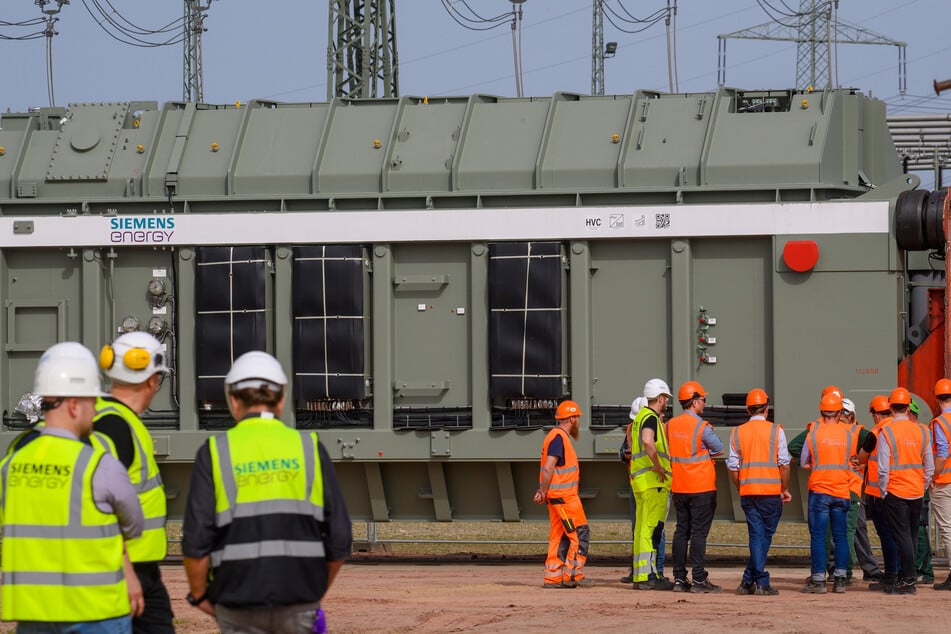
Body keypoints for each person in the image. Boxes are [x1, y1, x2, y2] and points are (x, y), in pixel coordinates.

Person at [182, 351, 352, 630]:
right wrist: (314, 592)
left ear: (233, 400)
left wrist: (199, 594)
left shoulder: (214, 452)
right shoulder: (310, 448)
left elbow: (196, 538)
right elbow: (340, 536)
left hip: (237, 601)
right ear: (281, 400)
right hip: (299, 600)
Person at [0, 342, 145, 631]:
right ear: (75, 405)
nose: (96, 411)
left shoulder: (10, 466)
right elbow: (135, 526)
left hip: (34, 614)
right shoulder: (100, 466)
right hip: (96, 612)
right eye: (93, 402)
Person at [94, 332, 174, 632]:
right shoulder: (114, 426)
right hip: (123, 567)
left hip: (134, 565)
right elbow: (96, 503)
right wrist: (125, 569)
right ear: (153, 380)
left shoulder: (109, 417)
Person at [728, 388, 791, 596]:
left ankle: (748, 581)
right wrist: (784, 488)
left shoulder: (737, 432)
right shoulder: (776, 431)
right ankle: (761, 582)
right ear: (766, 409)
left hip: (748, 492)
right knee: (764, 537)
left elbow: (733, 467)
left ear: (748, 410)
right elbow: (784, 464)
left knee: (757, 536)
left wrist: (740, 486)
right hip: (771, 493)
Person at [876, 387, 934, 595]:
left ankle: (908, 580)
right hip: (916, 492)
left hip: (895, 491)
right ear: (909, 407)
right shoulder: (922, 431)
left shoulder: (887, 432)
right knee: (911, 535)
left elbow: (883, 469)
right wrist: (922, 486)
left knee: (902, 537)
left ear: (891, 408)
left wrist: (884, 491)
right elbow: (929, 467)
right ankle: (908, 576)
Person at [667, 380, 723, 593]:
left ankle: (679, 579)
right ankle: (699, 580)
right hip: (701, 487)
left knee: (682, 531)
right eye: (703, 399)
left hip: (679, 486)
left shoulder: (670, 425)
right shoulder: (701, 426)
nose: (705, 403)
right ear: (694, 402)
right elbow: (718, 448)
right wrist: (704, 452)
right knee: (699, 533)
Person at [800, 392, 855, 594]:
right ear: (840, 413)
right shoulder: (848, 435)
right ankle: (840, 580)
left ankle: (818, 581)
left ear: (822, 413)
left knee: (818, 536)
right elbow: (850, 458)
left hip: (820, 491)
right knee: (840, 537)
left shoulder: (813, 434)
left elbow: (804, 461)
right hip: (841, 490)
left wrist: (813, 464)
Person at [535, 399, 592, 588]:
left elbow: (549, 469)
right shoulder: (559, 438)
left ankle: (553, 577)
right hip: (565, 498)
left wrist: (543, 491)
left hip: (557, 497)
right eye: (577, 418)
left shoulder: (555, 437)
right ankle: (573, 575)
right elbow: (548, 467)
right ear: (572, 419)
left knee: (559, 536)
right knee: (579, 533)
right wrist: (543, 490)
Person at [630, 378, 674, 590]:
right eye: (666, 398)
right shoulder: (651, 418)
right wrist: (658, 466)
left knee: (642, 530)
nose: (667, 402)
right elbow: (648, 441)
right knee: (651, 530)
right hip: (652, 482)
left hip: (641, 482)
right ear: (661, 398)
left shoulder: (639, 417)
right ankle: (648, 577)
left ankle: (642, 575)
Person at [618, 396, 666, 583]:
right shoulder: (636, 427)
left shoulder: (650, 425)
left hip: (644, 483)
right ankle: (646, 572)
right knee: (648, 529)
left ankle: (647, 571)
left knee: (646, 529)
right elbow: (625, 451)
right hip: (648, 482)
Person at [839, 398, 883, 583]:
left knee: (850, 530)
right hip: (850, 488)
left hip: (842, 488)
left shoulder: (825, 431)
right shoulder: (859, 433)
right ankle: (854, 570)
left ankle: (848, 570)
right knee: (852, 530)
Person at [861, 394, 901, 591]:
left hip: (879, 492)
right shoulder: (900, 429)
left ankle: (892, 575)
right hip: (902, 490)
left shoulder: (876, 433)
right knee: (901, 535)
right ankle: (903, 574)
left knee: (886, 536)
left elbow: (862, 458)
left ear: (876, 414)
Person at [908, 400, 935, 585]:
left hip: (918, 487)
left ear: (910, 415)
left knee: (918, 528)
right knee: (915, 528)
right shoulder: (923, 432)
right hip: (913, 486)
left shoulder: (922, 432)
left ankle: (924, 570)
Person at [931, 379, 951, 590]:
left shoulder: (941, 423)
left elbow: (942, 455)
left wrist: (931, 476)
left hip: (945, 482)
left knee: (947, 528)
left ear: (936, 398)